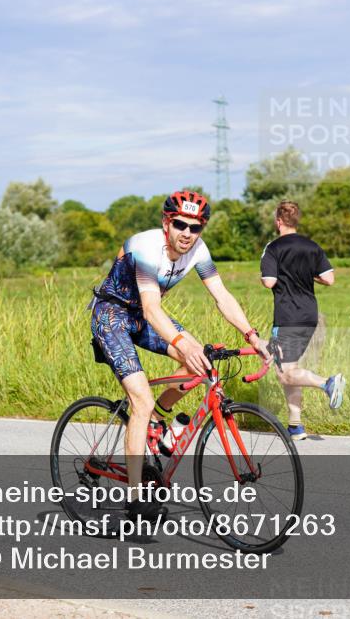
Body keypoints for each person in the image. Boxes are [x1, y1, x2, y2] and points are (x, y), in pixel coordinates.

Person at [90, 190, 270, 520]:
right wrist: (181, 342)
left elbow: (222, 297)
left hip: (143, 315)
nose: (187, 233)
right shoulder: (146, 247)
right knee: (140, 398)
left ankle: (158, 420)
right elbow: (151, 307)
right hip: (113, 315)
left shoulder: (198, 250)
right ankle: (135, 497)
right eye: (180, 225)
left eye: (195, 227)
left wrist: (252, 335)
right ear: (166, 223)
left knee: (200, 363)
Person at [260, 200, 344, 441]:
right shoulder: (312, 246)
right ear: (296, 221)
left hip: (287, 316)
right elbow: (329, 279)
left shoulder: (273, 248)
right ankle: (295, 426)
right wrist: (309, 276)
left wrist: (265, 277)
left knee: (284, 374)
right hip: (309, 315)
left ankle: (327, 383)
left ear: (278, 222)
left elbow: (269, 281)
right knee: (291, 369)